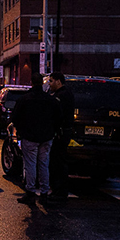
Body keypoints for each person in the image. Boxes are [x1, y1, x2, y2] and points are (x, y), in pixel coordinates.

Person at [11, 73, 61, 205]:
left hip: (30, 136)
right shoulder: (51, 100)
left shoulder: (25, 99)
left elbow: (15, 117)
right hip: (46, 136)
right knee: (44, 164)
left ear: (31, 82)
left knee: (31, 164)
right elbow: (58, 118)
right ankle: (44, 192)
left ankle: (31, 191)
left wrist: (22, 130)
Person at [47, 73, 75, 200]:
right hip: (64, 132)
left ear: (58, 81)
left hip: (60, 134)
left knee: (57, 162)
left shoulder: (61, 96)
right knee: (59, 161)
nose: (49, 84)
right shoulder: (67, 94)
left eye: (51, 81)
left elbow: (57, 115)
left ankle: (59, 191)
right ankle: (59, 190)